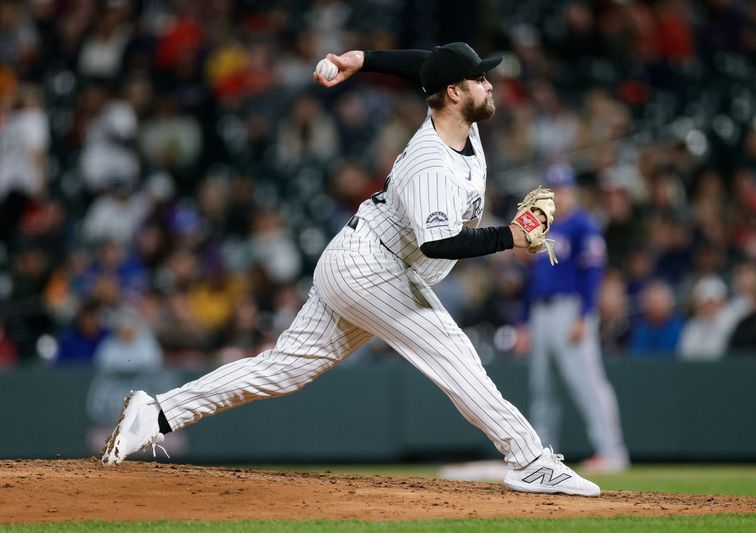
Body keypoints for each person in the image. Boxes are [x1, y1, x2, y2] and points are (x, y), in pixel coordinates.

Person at [100, 43, 600, 496]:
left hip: (366, 258)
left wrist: (364, 59)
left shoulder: (456, 119)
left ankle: (156, 413)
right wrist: (509, 237)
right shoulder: (431, 161)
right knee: (455, 356)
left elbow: (424, 64)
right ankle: (529, 458)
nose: (490, 84)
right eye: (480, 79)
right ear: (454, 93)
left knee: (282, 369)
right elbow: (441, 240)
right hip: (374, 267)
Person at [520, 163, 629, 473]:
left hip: (570, 310)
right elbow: (533, 281)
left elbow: (593, 274)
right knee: (543, 390)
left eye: (563, 189)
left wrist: (584, 315)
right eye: (552, 190)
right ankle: (539, 458)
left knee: (588, 384)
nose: (558, 196)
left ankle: (612, 452)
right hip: (541, 313)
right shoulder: (541, 228)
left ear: (573, 191)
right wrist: (523, 322)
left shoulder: (584, 224)